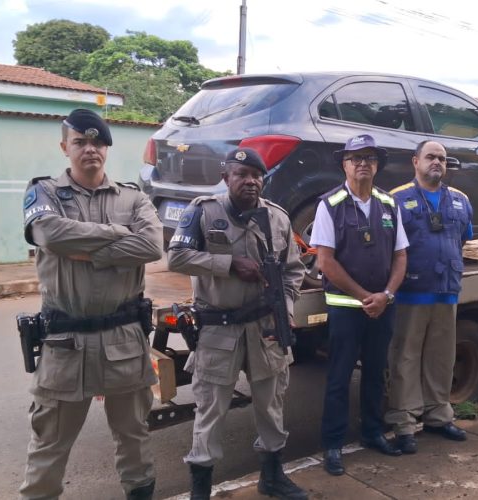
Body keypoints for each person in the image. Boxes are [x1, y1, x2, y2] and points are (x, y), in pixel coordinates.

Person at [19, 109, 163, 500]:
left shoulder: (133, 198)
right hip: (66, 343)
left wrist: (89, 251)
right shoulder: (45, 193)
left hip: (123, 340)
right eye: (80, 142)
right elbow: (49, 233)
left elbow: (151, 246)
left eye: (97, 142)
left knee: (134, 438)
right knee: (49, 446)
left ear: (107, 148)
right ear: (65, 146)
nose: (90, 149)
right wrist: (118, 238)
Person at [167, 147, 307, 500]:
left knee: (271, 406)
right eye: (241, 174)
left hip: (265, 328)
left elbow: (294, 271)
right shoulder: (203, 211)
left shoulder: (277, 218)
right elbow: (177, 257)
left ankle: (272, 477)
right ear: (225, 176)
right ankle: (201, 489)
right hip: (219, 329)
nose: (250, 181)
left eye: (256, 175)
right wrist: (229, 264)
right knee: (210, 411)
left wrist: (286, 308)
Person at [310, 134, 409, 476]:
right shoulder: (330, 204)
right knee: (338, 377)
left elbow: (400, 255)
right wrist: (363, 296)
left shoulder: (388, 204)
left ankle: (373, 433)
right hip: (346, 308)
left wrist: (387, 295)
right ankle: (333, 445)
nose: (362, 163)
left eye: (369, 158)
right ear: (344, 164)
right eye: (356, 158)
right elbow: (325, 261)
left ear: (377, 165)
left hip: (382, 306)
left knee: (375, 374)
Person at [386, 140, 473, 454]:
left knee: (441, 357)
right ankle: (405, 423)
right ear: (415, 162)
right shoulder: (397, 199)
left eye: (442, 158)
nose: (437, 162)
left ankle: (438, 415)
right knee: (405, 358)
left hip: (446, 292)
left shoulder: (461, 201)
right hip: (411, 293)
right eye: (431, 157)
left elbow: (462, 239)